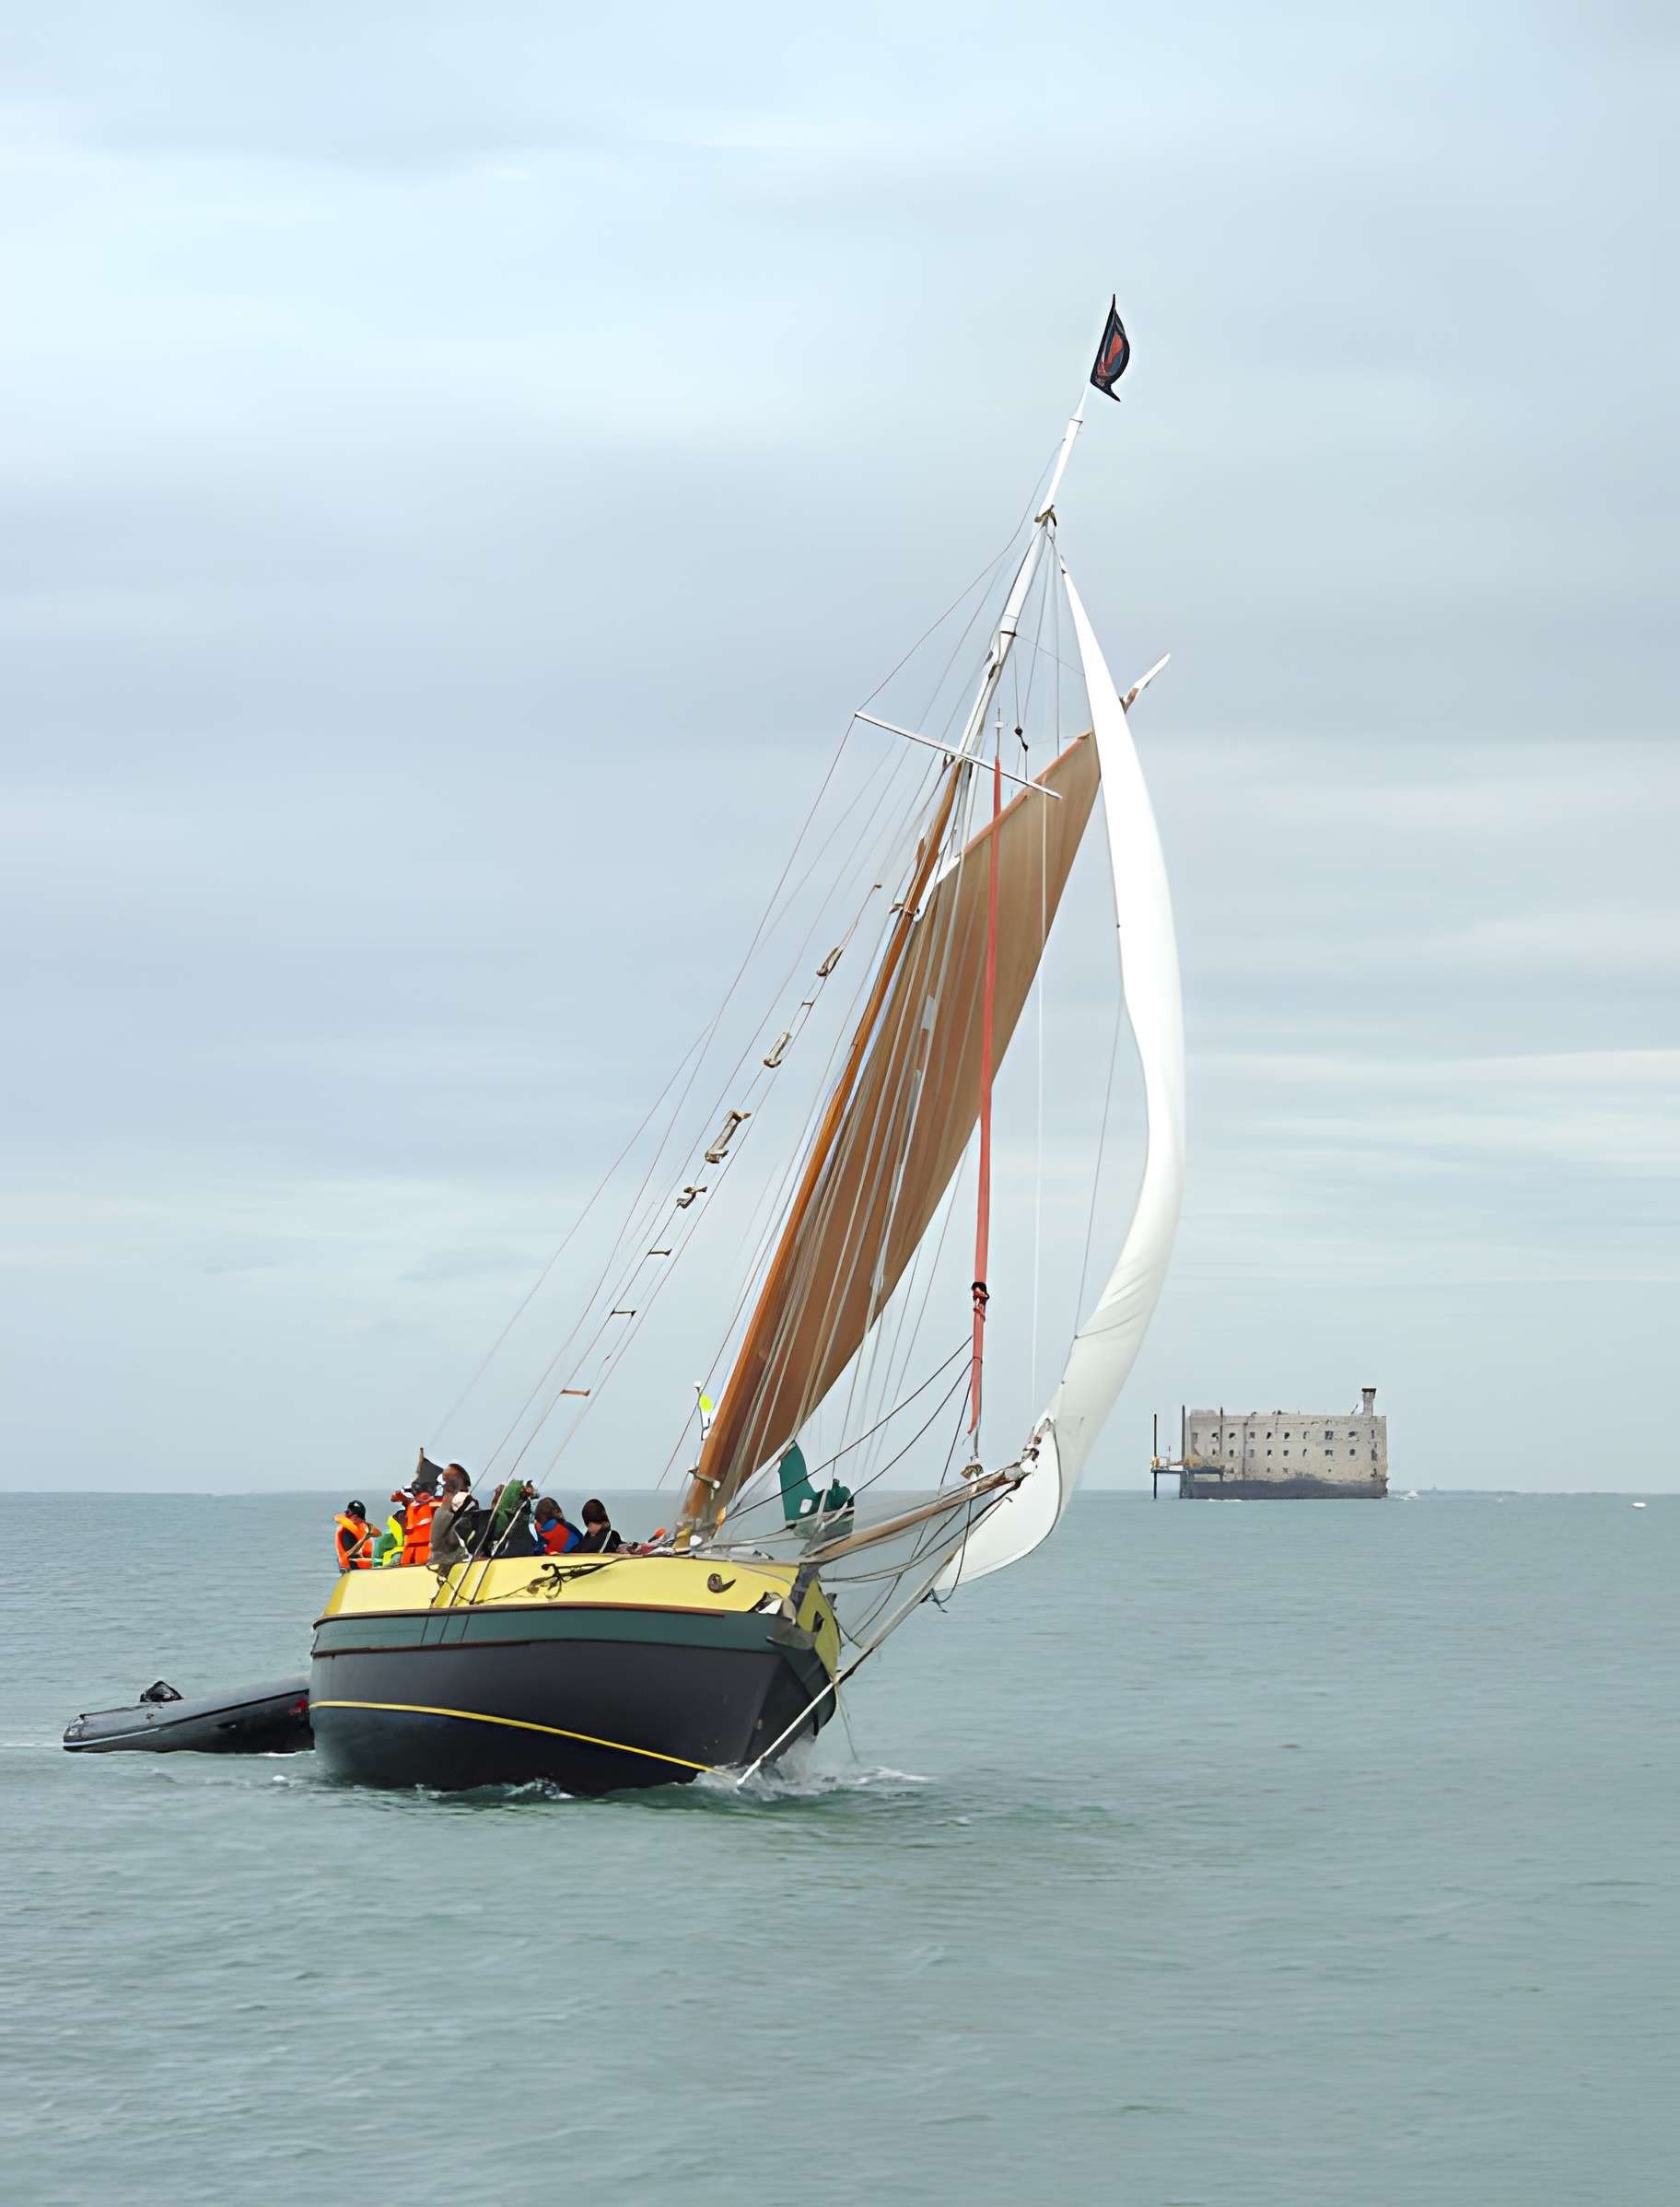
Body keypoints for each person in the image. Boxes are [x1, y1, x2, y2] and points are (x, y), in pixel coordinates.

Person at [429, 1464, 481, 1570]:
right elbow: (479, 1525)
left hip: (436, 1559)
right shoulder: (461, 1499)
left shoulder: (443, 1503)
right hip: (453, 1560)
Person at [333, 1501, 374, 1572]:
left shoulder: (360, 1527)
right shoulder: (347, 1532)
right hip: (351, 1565)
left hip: (357, 1561)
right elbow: (351, 1557)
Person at [372, 1494, 407, 1567]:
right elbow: (376, 1560)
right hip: (388, 1570)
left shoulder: (417, 1532)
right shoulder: (386, 1537)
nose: (405, 1517)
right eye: (402, 1515)